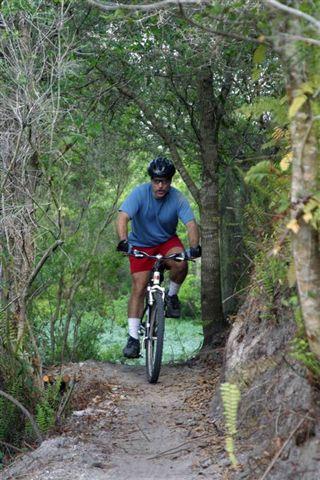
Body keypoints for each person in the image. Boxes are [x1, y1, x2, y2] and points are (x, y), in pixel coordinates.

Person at [116, 156, 201, 358]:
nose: (160, 186)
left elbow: (190, 224)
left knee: (181, 264)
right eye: (156, 181)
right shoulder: (139, 194)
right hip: (140, 244)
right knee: (139, 287)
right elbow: (122, 217)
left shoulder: (178, 198)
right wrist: (123, 241)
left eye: (165, 181)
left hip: (166, 242)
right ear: (151, 180)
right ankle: (133, 339)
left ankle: (171, 297)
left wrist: (194, 247)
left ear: (170, 181)